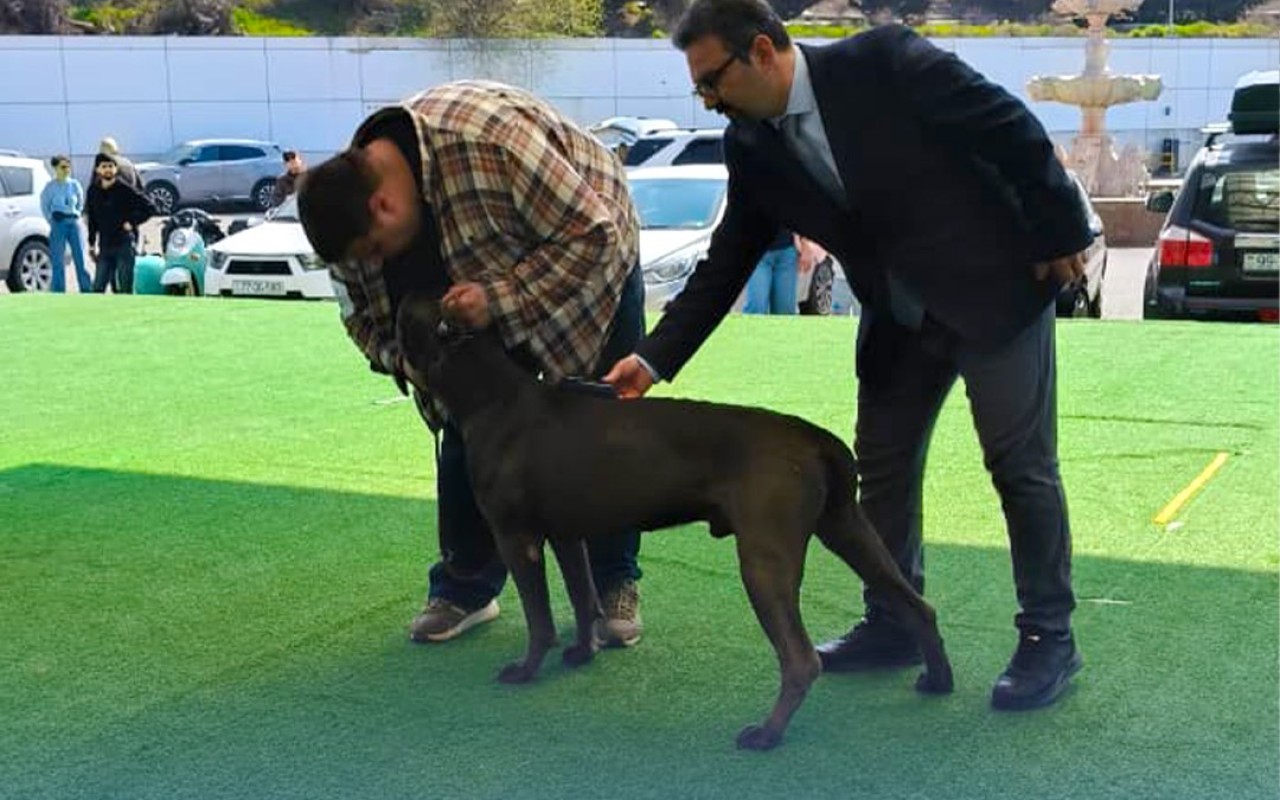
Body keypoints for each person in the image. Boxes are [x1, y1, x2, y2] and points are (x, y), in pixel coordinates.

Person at [603, 0, 1093, 712]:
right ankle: (894, 622)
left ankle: (1050, 638)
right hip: (897, 323)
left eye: (713, 80)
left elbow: (1008, 127)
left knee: (1021, 469)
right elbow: (730, 258)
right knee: (881, 471)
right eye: (699, 88)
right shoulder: (751, 145)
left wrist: (1059, 232)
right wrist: (652, 359)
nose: (707, 100)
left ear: (763, 51)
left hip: (995, 294)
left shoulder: (884, 62)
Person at [297, 80, 646, 647]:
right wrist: (404, 362)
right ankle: (466, 587)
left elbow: (592, 234)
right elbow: (358, 317)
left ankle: (614, 584)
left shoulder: (489, 141)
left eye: (374, 252)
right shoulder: (342, 211)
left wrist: (498, 299)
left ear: (384, 206)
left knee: (598, 425)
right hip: (481, 280)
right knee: (470, 426)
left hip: (591, 255)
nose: (370, 265)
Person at [85, 153, 156, 294]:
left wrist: (132, 222)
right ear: (97, 170)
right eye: (104, 166)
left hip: (124, 244)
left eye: (111, 166)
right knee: (98, 287)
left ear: (116, 169)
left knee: (124, 288)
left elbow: (150, 208)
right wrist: (91, 243)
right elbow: (92, 219)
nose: (108, 170)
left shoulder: (124, 189)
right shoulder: (93, 191)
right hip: (105, 245)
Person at [39, 155, 91, 293]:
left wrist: (77, 214)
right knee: (57, 259)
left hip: (73, 222)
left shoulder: (75, 185)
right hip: (58, 223)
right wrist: (52, 220)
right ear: (55, 168)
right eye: (63, 167)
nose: (66, 170)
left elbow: (80, 203)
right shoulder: (50, 187)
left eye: (68, 167)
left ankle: (86, 288)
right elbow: (45, 206)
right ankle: (58, 290)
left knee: (80, 257)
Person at [742, 228, 798, 314]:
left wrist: (805, 243)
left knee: (785, 312)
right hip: (757, 251)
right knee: (756, 307)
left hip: (786, 252)